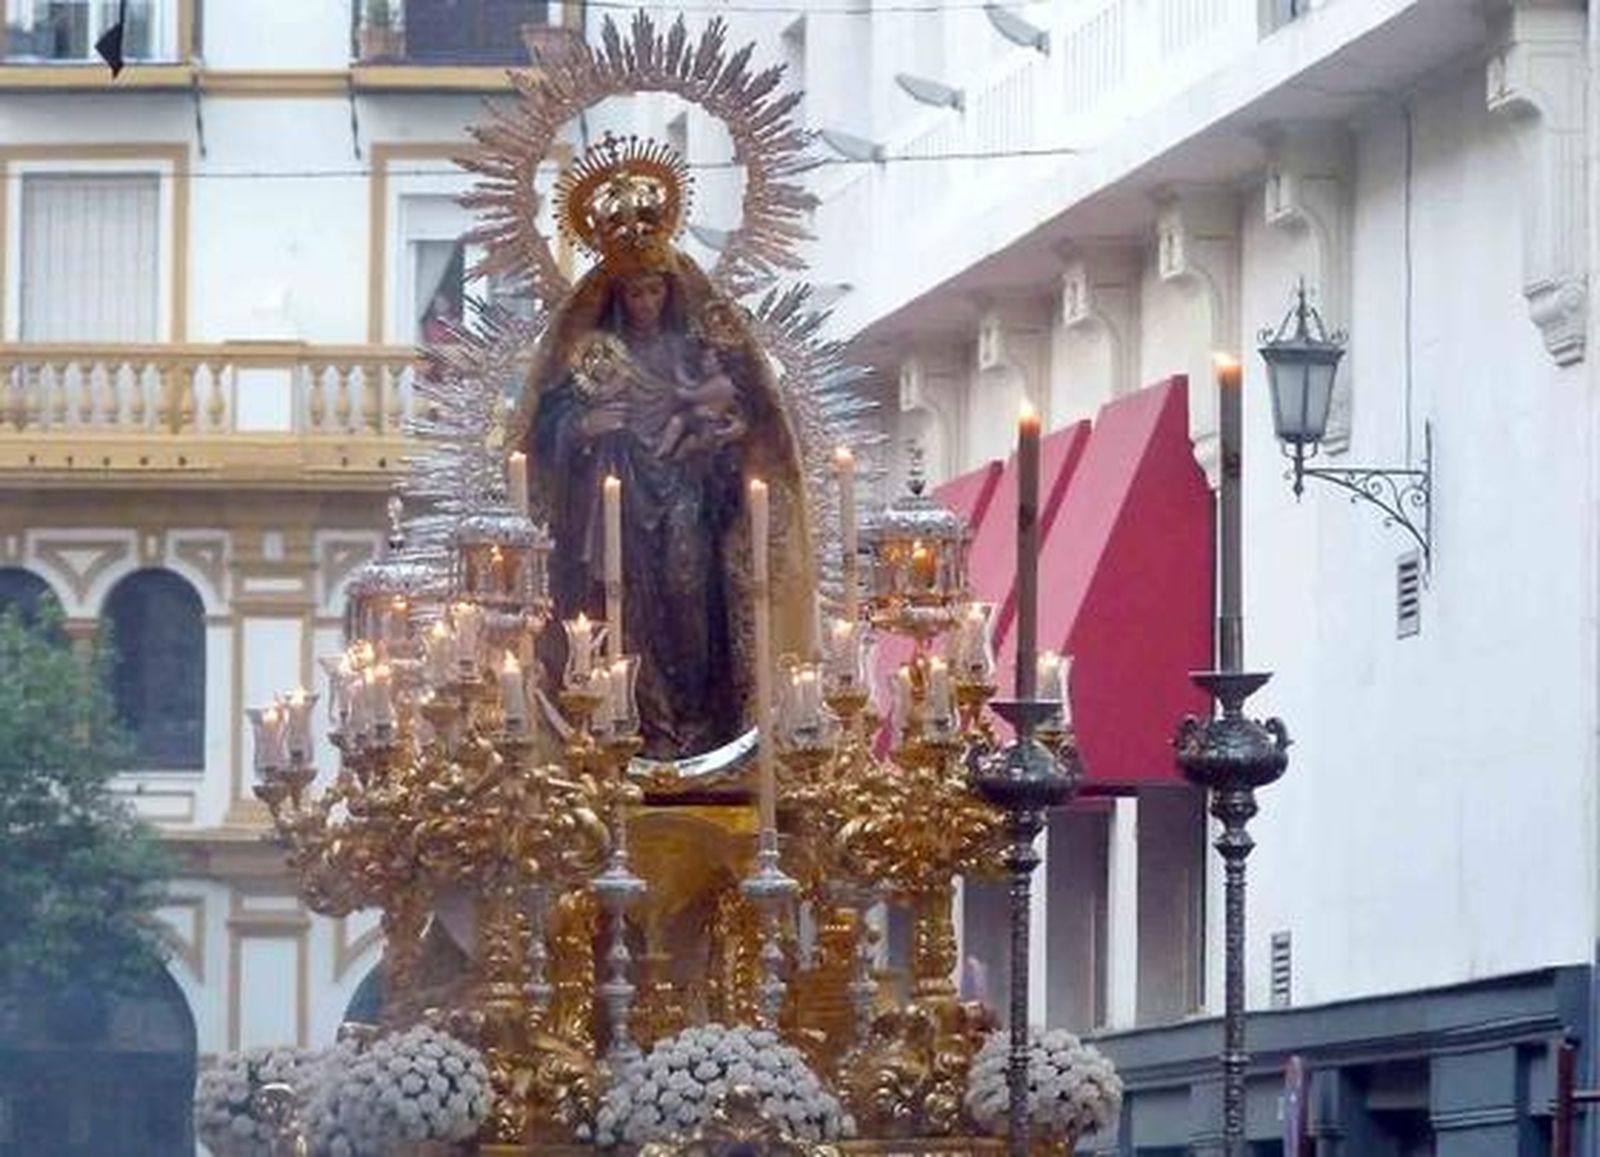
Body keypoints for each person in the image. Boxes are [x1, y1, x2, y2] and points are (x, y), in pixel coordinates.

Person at [516, 141, 813, 760]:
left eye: (654, 292)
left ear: (668, 292)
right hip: (612, 505)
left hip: (685, 503)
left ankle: (700, 720)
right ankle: (636, 720)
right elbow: (546, 430)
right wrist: (583, 427)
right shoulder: (592, 361)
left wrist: (725, 452)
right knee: (623, 611)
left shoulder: (692, 353)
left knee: (689, 600)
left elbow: (743, 425)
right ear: (617, 299)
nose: (646, 304)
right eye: (634, 295)